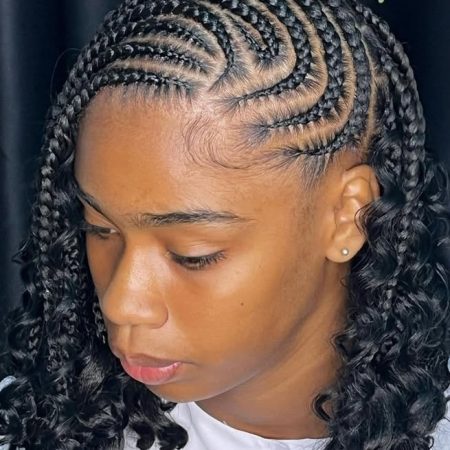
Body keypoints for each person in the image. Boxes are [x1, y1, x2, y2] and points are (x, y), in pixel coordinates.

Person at [0, 0, 449, 449]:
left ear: (348, 216)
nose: (121, 304)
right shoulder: (32, 426)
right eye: (100, 230)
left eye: (192, 255)